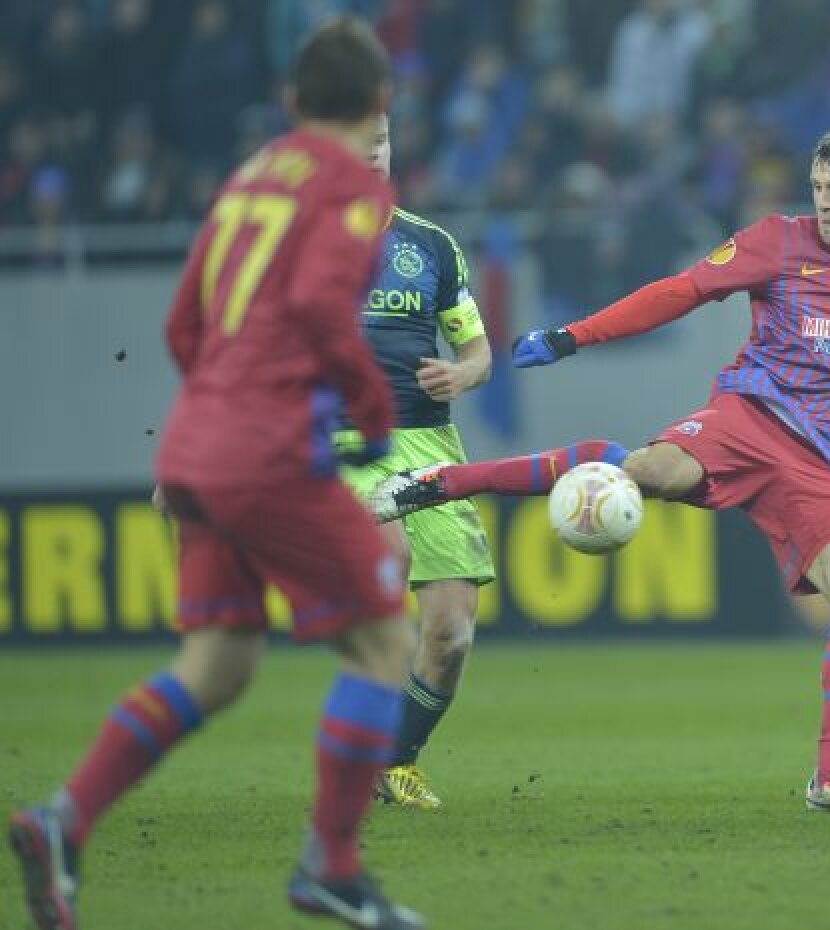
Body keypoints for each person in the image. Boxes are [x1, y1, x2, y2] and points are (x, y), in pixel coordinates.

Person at [372, 129, 830, 812]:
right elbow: (681, 292)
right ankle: (433, 485)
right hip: (746, 422)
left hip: (822, 465)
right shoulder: (776, 241)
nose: (824, 202)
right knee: (643, 471)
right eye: (818, 187)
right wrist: (574, 336)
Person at [9, 17, 425, 930]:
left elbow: (182, 327)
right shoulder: (351, 188)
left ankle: (63, 820)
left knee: (221, 660)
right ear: (379, 103)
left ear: (291, 102)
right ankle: (333, 867)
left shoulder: (249, 179)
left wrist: (209, 427)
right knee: (384, 642)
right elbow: (320, 303)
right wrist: (369, 403)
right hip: (269, 451)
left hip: (198, 447)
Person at [336, 113, 496, 810]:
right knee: (387, 550)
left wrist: (462, 376)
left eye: (381, 139)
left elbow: (479, 353)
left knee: (452, 632)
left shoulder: (430, 245)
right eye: (357, 141)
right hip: (342, 444)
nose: (372, 153)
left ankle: (394, 760)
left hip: (429, 445)